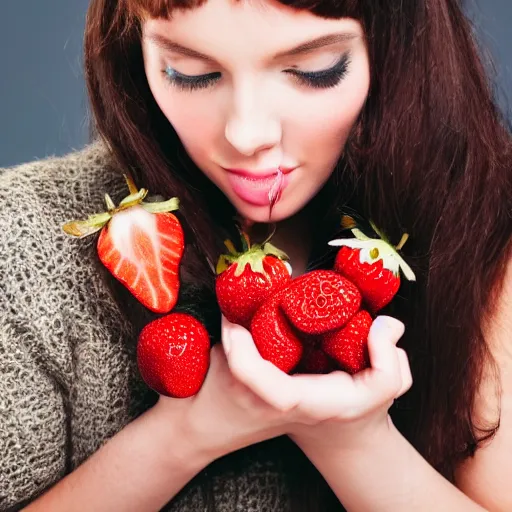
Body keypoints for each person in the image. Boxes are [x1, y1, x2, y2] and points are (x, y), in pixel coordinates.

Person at [0, 0, 510, 510]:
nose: (247, 134)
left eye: (316, 71)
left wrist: (354, 442)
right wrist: (185, 434)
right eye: (190, 73)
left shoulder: (493, 230)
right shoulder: (27, 236)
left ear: (402, 49)